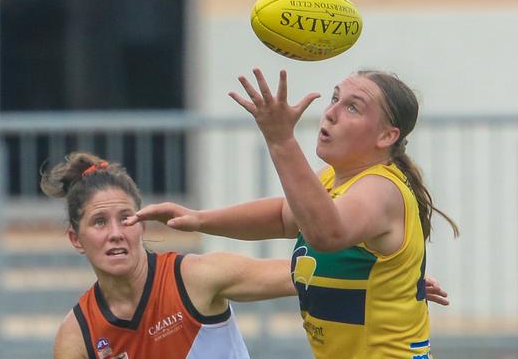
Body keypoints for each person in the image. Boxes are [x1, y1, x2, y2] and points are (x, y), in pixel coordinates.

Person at [129, 68, 459, 359]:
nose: (330, 113)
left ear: (387, 136)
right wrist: (199, 219)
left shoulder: (380, 188)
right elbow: (286, 217)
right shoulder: (333, 179)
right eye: (334, 98)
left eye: (353, 107)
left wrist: (282, 140)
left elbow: (327, 234)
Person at [44, 151, 450, 359]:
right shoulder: (77, 333)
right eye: (99, 223)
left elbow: (302, 275)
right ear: (75, 239)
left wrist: (388, 282)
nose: (116, 233)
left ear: (142, 224)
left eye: (125, 218)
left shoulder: (195, 278)